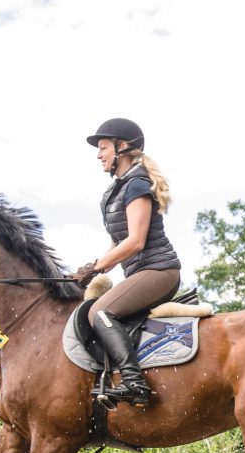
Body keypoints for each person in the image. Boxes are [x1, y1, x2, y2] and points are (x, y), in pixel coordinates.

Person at [77, 117, 181, 408]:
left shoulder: (137, 183)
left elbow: (135, 241)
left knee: (100, 312)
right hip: (141, 272)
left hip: (159, 271)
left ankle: (135, 383)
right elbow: (118, 242)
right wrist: (91, 268)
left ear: (121, 147)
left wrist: (98, 266)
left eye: (103, 148)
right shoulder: (116, 190)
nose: (98, 155)